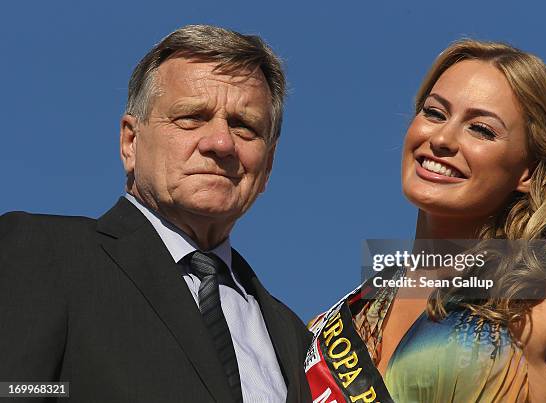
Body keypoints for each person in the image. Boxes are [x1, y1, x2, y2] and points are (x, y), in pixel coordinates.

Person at [0, 25, 312, 402]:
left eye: (244, 127)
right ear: (130, 142)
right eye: (191, 117)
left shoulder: (296, 338)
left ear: (269, 165)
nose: (221, 143)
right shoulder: (44, 254)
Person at [305, 40, 546, 403]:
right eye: (434, 113)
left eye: (481, 129)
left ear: (527, 171)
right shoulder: (331, 326)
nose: (442, 139)